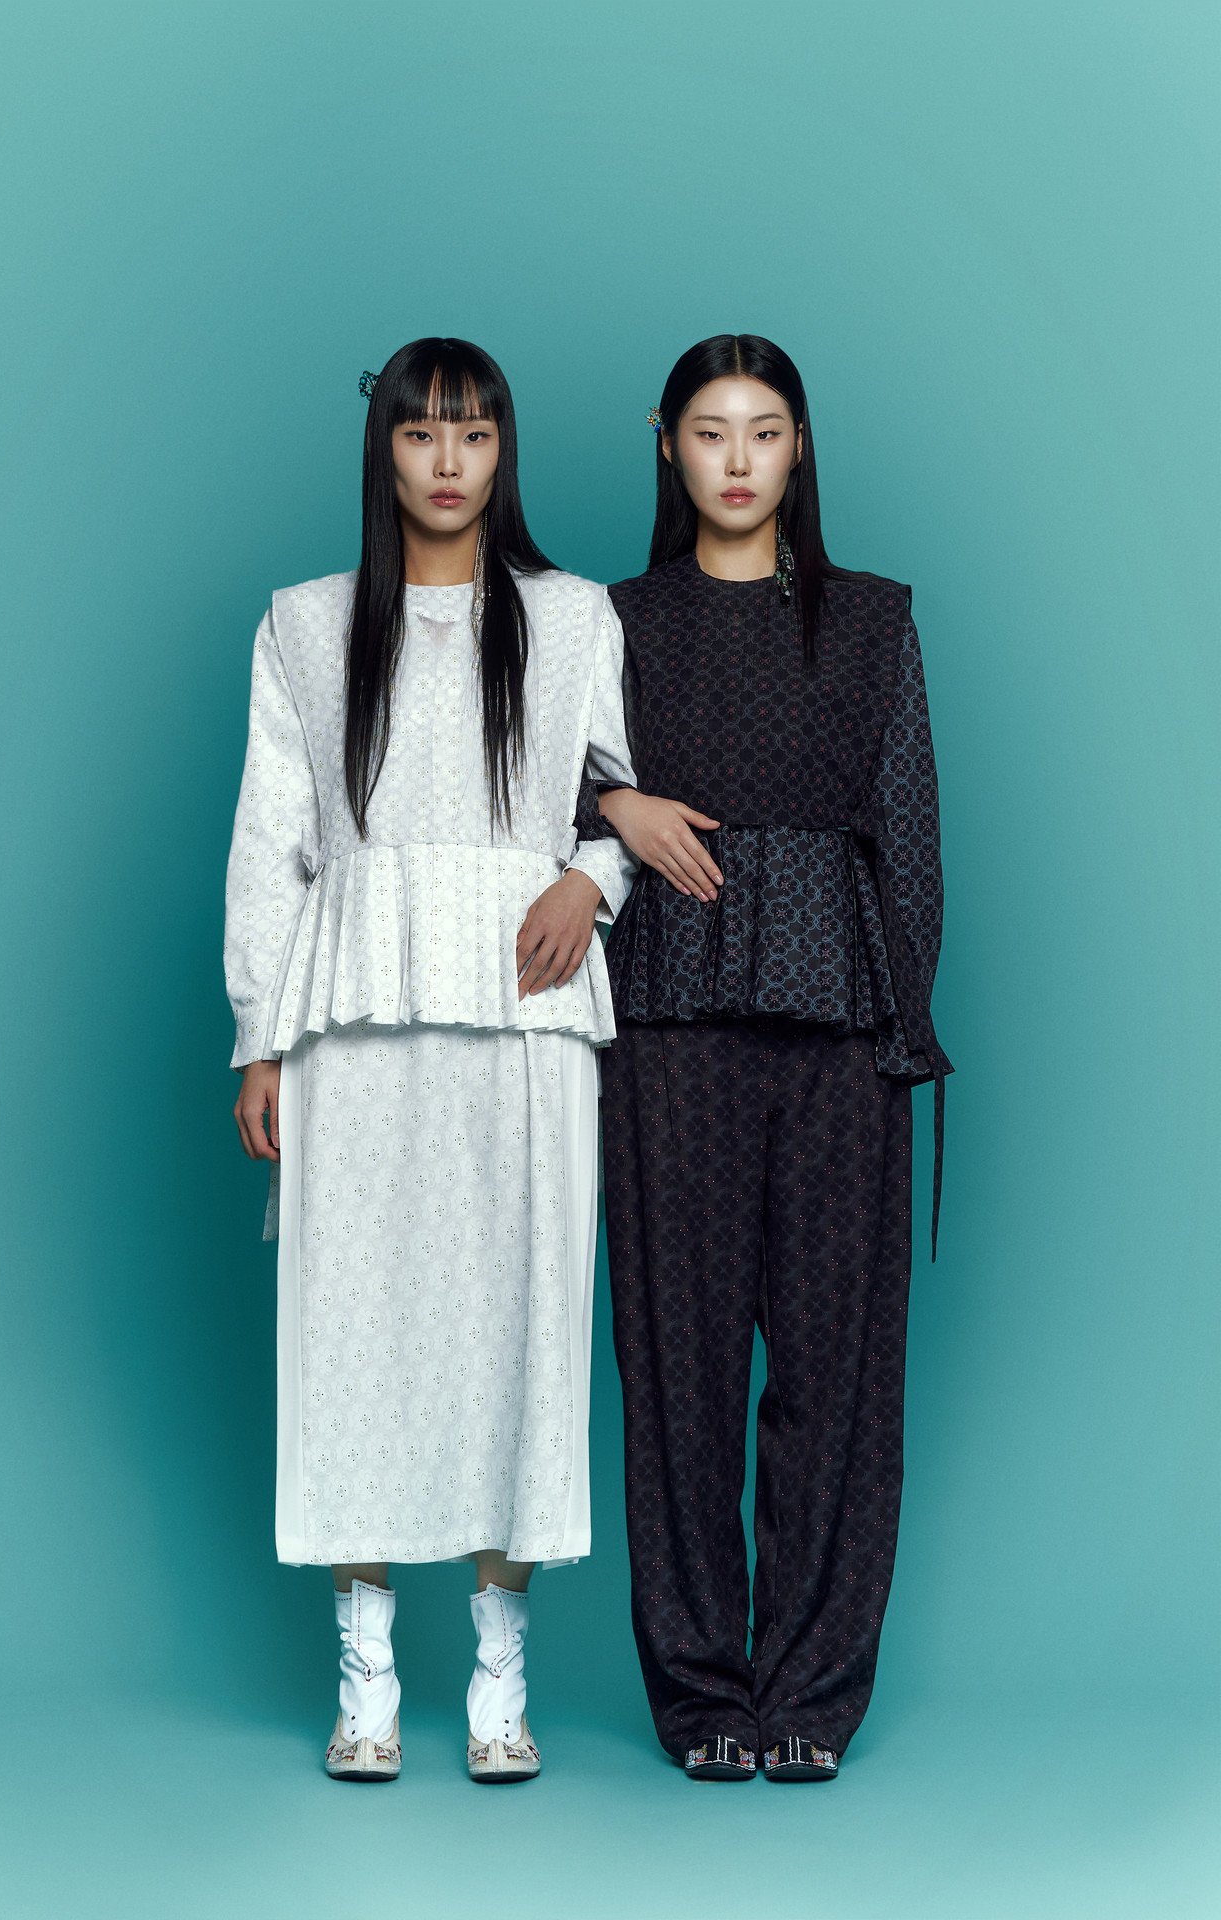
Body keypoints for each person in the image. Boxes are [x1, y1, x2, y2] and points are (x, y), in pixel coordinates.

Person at [224, 338, 636, 1784]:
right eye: (421, 434)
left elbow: (618, 802)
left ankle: (501, 1680)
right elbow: (271, 846)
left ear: (504, 449)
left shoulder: (573, 617)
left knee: (520, 1329)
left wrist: (591, 880)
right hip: (356, 1012)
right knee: (357, 1328)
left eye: (473, 434)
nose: (449, 462)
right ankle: (369, 1677)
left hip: (526, 1011)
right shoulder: (305, 624)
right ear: (384, 451)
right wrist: (259, 1038)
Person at [578, 333, 951, 1782]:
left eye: (767, 431)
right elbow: (524, 784)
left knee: (837, 1377)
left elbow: (908, 830)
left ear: (800, 448)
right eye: (710, 431)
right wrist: (614, 807)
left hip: (843, 1027)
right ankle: (701, 1700)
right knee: (674, 1374)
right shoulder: (611, 621)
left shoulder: (872, 618)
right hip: (667, 1025)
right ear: (667, 444)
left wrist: (905, 1022)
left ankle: (810, 1695)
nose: (738, 460)